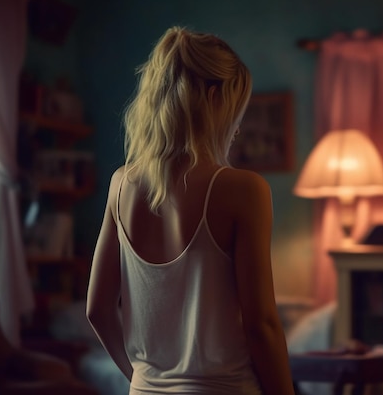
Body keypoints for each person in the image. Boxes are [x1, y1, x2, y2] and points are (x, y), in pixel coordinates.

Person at [86, 26, 295, 395]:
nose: (238, 125)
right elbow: (261, 325)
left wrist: (140, 379)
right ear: (214, 100)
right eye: (237, 107)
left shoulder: (121, 184)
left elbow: (98, 310)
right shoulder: (243, 189)